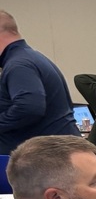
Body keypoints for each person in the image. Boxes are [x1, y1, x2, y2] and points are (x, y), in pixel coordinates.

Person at [0, 11, 79, 154]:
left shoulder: (18, 65)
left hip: (49, 159)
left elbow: (29, 107)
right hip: (55, 154)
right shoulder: (30, 58)